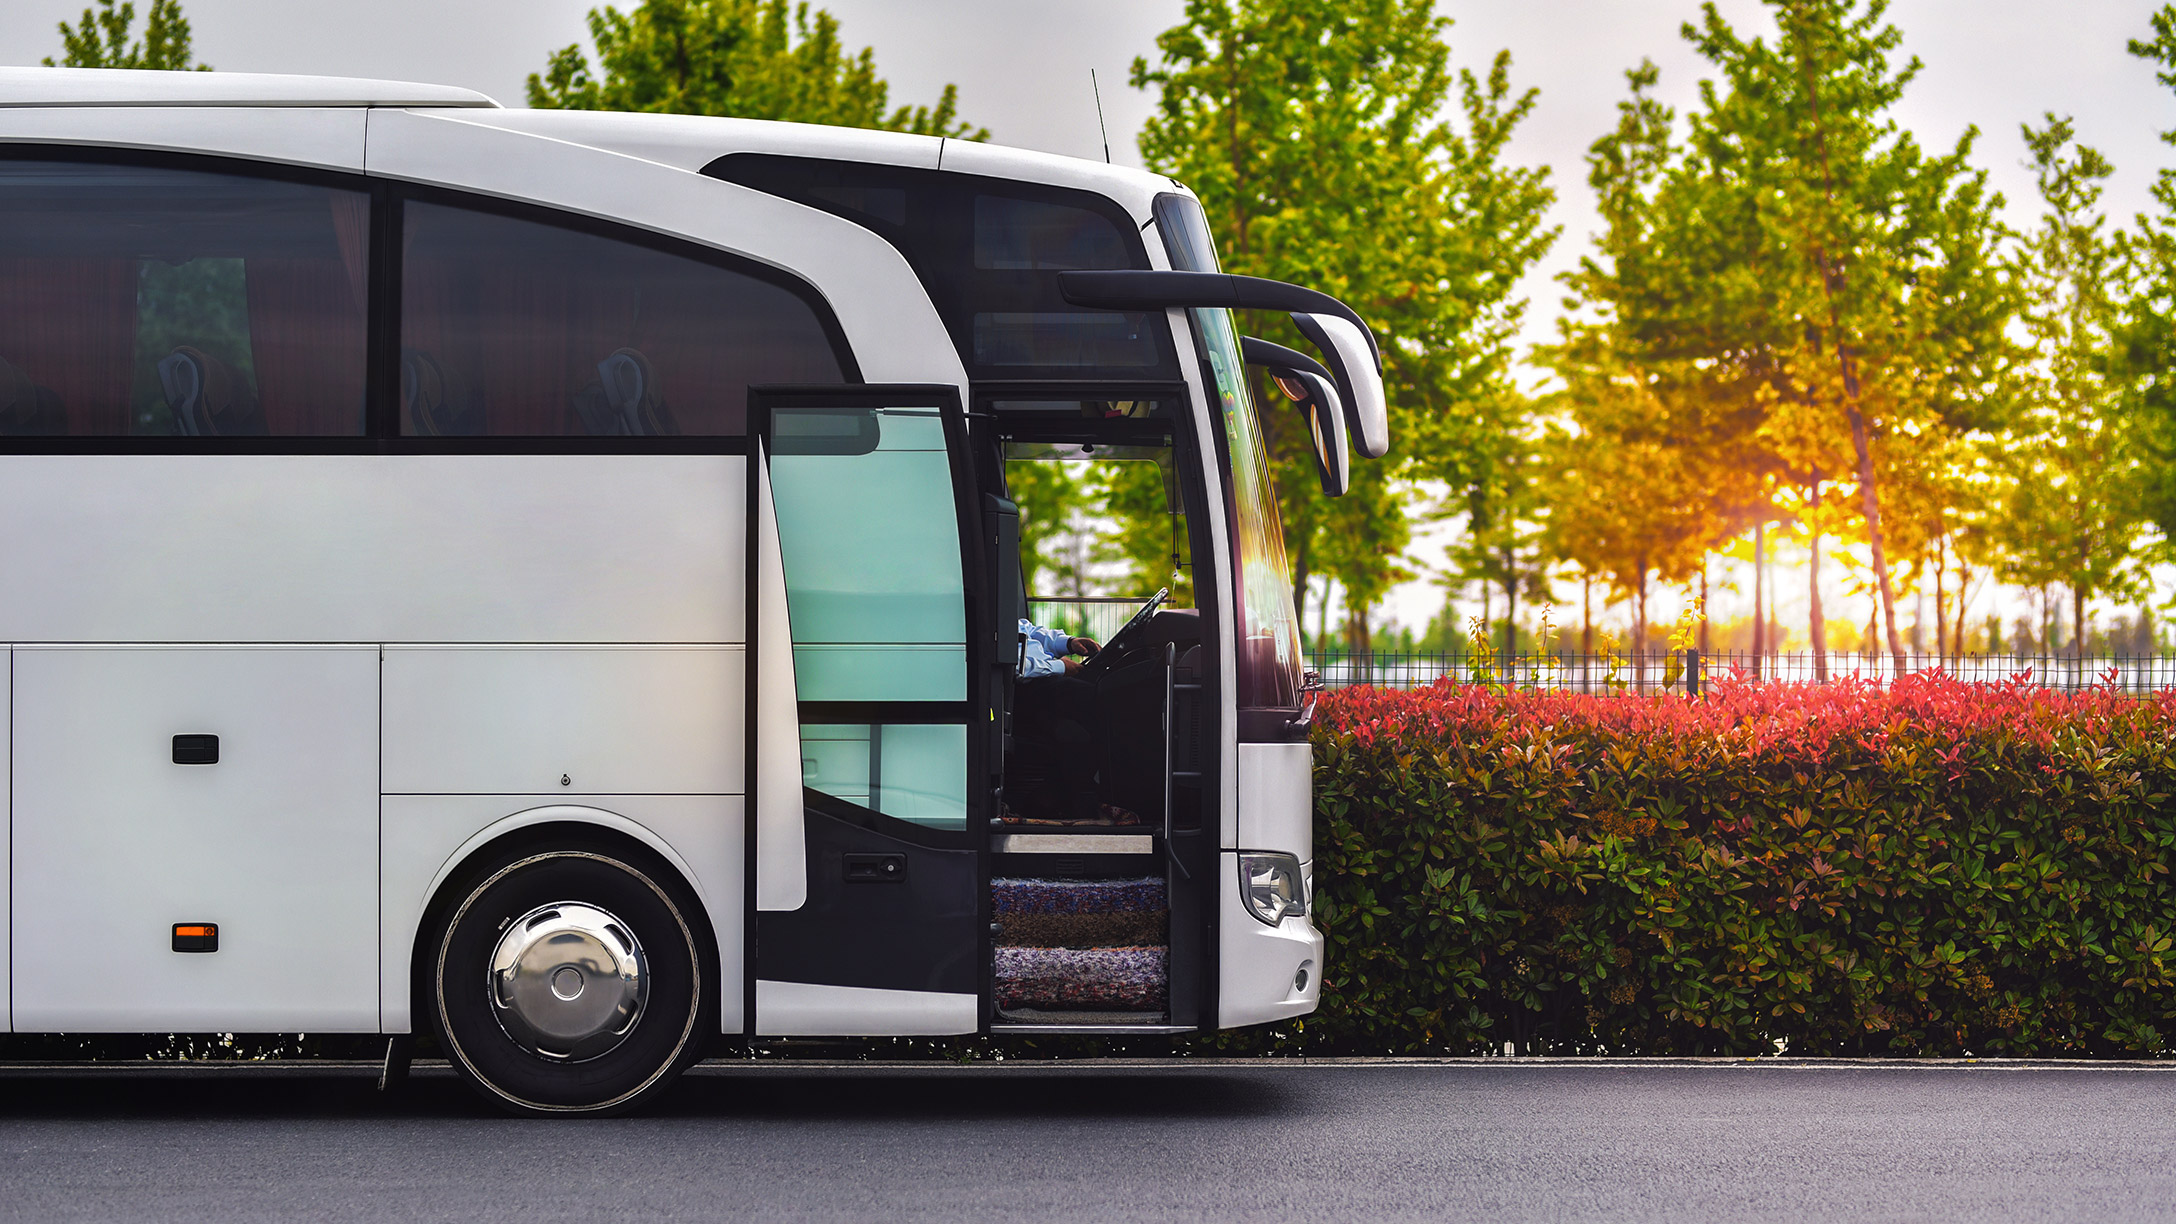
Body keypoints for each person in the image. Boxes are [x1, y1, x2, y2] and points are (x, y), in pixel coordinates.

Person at [1008, 619, 1118, 823]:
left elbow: (1029, 632)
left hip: (1043, 678)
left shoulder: (1002, 611)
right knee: (1100, 700)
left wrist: (1069, 643)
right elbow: (1016, 667)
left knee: (1106, 687)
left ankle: (1069, 794)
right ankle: (1051, 797)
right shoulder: (987, 614)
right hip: (1020, 689)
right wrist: (1059, 666)